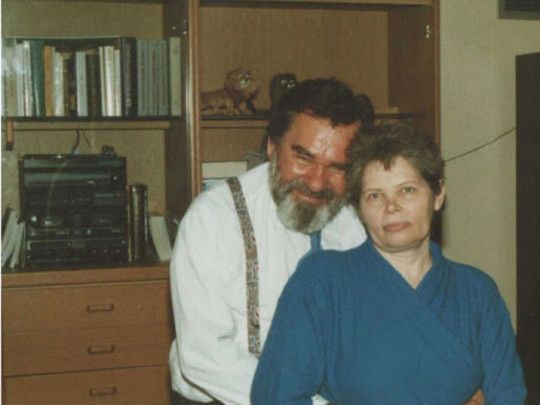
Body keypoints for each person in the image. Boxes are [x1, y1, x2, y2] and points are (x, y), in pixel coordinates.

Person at [251, 124, 526, 404]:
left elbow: (508, 394)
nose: (391, 207)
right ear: (359, 209)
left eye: (407, 190)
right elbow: (276, 396)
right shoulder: (322, 281)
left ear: (438, 194)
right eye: (375, 196)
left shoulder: (476, 291)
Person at [169, 78, 372, 404]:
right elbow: (204, 355)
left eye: (336, 168)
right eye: (303, 159)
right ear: (272, 148)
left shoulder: (349, 224)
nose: (317, 183)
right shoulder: (213, 219)